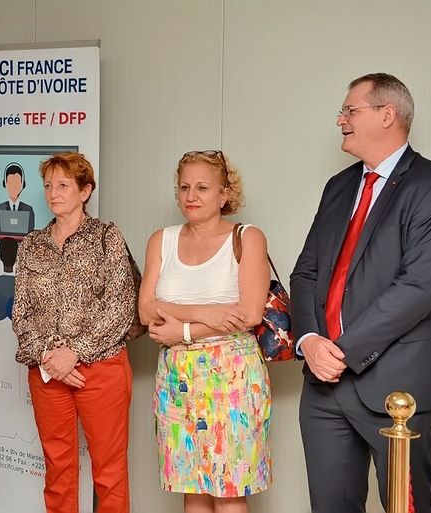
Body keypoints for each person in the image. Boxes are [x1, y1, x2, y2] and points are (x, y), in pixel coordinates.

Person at [290, 73, 431, 513]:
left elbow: (420, 287)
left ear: (387, 115)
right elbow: (306, 272)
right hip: (324, 388)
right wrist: (309, 341)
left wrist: (341, 351)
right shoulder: (339, 187)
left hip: (399, 387)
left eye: (350, 110)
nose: (340, 120)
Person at [138, 150, 272, 513]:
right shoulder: (162, 240)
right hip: (176, 377)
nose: (191, 196)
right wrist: (205, 313)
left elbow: (249, 313)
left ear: (225, 194)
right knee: (191, 486)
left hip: (232, 375)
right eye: (184, 188)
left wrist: (181, 331)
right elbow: (146, 310)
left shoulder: (247, 237)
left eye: (202, 187)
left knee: (229, 488)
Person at [12, 152, 136, 513]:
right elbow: (21, 311)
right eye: (48, 185)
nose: (53, 193)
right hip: (47, 370)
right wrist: (49, 357)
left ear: (85, 191)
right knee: (58, 469)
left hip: (102, 370)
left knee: (109, 472)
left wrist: (74, 353)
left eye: (63, 185)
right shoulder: (32, 244)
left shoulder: (106, 237)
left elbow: (120, 306)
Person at [0, 161, 35, 233]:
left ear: (22, 184)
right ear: (5, 184)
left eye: (16, 182)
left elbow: (31, 234)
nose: (13, 186)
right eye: (10, 182)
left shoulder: (29, 209)